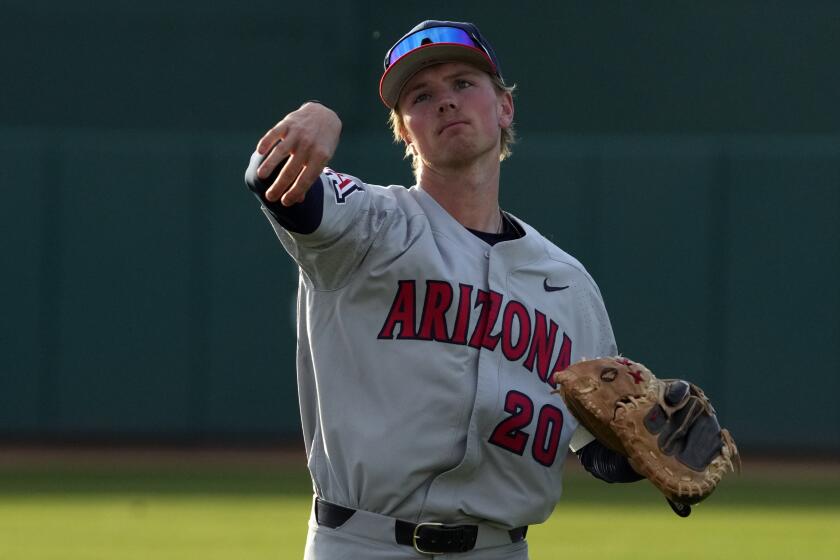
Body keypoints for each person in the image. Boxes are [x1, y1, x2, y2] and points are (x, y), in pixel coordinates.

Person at [245, 19, 641, 560]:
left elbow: (604, 451)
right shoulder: (370, 224)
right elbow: (279, 184)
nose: (445, 102)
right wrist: (314, 119)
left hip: (499, 549)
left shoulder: (566, 283)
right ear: (404, 132)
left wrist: (654, 439)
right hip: (362, 544)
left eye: (463, 84)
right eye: (421, 95)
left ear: (504, 108)